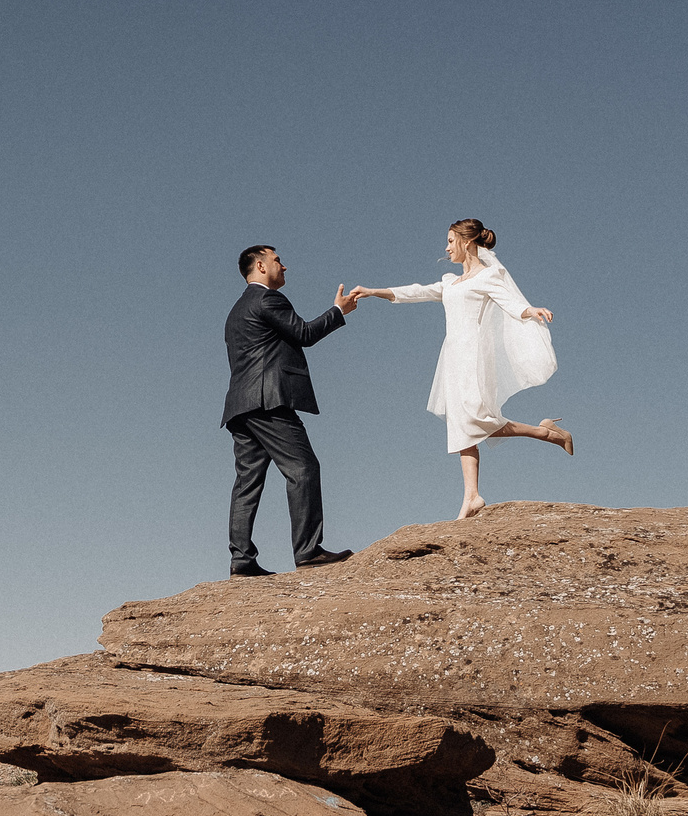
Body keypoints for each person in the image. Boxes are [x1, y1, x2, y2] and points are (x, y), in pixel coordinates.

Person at [349, 219, 571, 519]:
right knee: (462, 422)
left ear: (466, 242)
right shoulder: (451, 282)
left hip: (475, 356)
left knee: (476, 418)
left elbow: (512, 302)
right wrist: (374, 291)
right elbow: (418, 291)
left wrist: (532, 310)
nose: (446, 247)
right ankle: (472, 494)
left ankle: (544, 434)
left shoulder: (489, 276)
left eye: (451, 241)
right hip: (452, 357)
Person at [221, 246, 360, 577]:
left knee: (247, 482)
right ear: (260, 265)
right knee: (303, 468)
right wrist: (338, 311)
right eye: (277, 260)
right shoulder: (268, 299)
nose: (284, 265)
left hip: (240, 407)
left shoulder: (235, 312)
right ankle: (308, 551)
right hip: (269, 402)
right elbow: (304, 334)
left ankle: (241, 559)